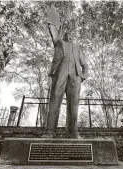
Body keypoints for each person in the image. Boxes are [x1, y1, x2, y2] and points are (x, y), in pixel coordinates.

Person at [42, 5, 88, 138]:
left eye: (71, 35)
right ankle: (50, 131)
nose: (69, 35)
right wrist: (53, 15)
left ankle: (72, 132)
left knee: (73, 102)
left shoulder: (78, 49)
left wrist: (84, 75)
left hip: (75, 75)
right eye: (67, 34)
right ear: (65, 36)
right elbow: (53, 31)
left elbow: (84, 63)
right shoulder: (59, 42)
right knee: (55, 98)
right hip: (60, 72)